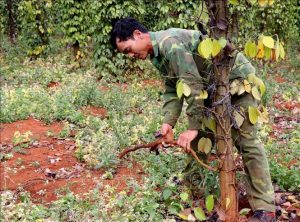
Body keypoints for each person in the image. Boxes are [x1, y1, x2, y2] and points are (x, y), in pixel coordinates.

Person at [110, 17, 275, 222]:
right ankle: (195, 202)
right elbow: (173, 89)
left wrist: (193, 126)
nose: (131, 55)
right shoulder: (158, 54)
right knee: (197, 145)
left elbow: (192, 84)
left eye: (128, 49)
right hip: (211, 92)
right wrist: (168, 123)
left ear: (137, 34)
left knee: (247, 142)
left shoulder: (170, 43)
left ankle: (265, 208)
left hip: (239, 84)